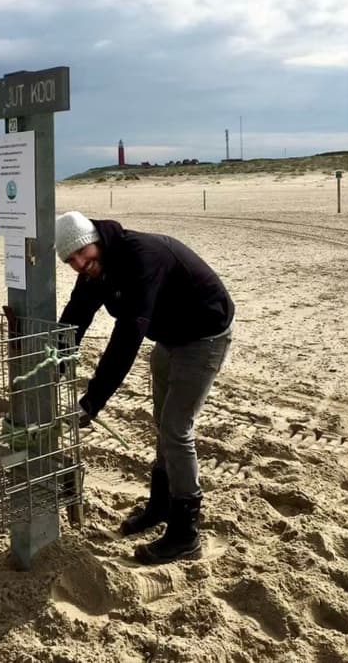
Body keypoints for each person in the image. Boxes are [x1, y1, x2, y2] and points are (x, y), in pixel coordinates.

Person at [55, 210, 234, 564]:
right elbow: (75, 317)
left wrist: (92, 401)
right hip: (170, 337)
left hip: (204, 335)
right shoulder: (97, 268)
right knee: (161, 423)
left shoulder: (141, 258)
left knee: (176, 429)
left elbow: (126, 338)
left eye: (82, 252)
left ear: (95, 240)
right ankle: (160, 505)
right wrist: (53, 366)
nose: (79, 263)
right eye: (70, 260)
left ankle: (185, 534)